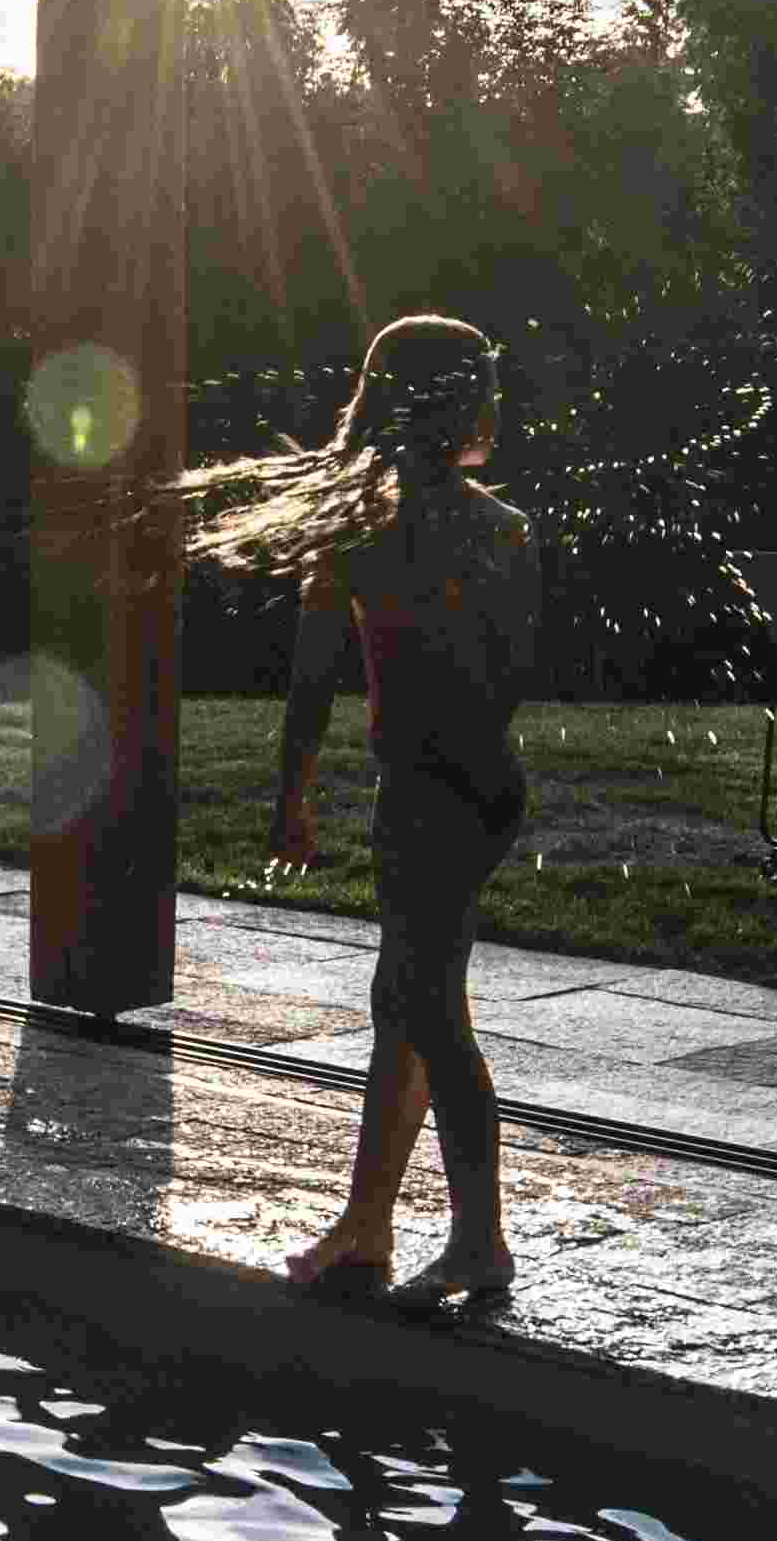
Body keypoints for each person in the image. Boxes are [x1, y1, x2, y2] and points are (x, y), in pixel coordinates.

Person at [206, 310, 549, 1315]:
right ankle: (366, 1223)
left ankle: (480, 1242)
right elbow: (508, 676)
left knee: (427, 1014)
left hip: (425, 794)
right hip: (489, 787)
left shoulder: (358, 525)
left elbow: (313, 682)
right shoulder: (503, 528)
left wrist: (291, 795)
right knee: (407, 1004)